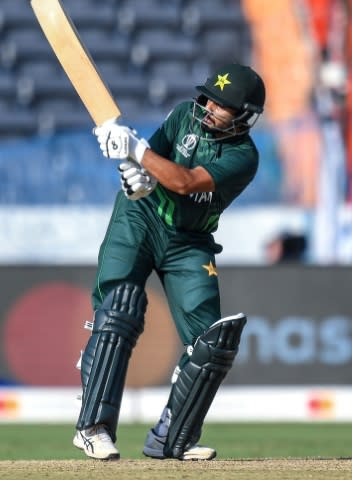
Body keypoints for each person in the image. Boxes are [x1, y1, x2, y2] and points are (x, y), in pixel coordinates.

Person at [73, 63, 265, 461]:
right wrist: (134, 176)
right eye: (209, 96)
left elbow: (184, 181)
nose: (209, 106)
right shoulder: (183, 115)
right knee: (119, 308)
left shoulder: (243, 157)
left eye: (222, 105)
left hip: (189, 239)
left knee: (212, 343)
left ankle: (171, 439)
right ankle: (93, 428)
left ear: (245, 116)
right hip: (140, 217)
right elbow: (151, 162)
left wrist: (135, 150)